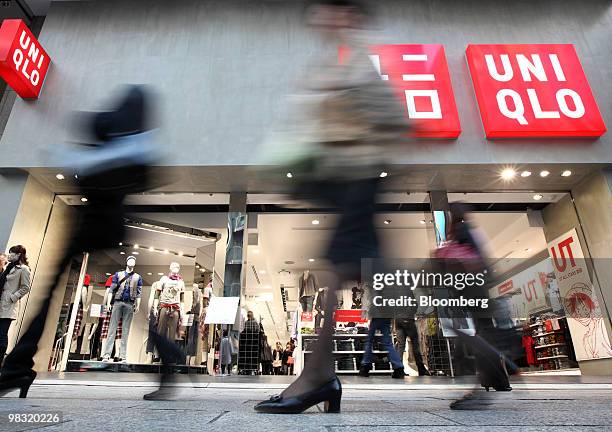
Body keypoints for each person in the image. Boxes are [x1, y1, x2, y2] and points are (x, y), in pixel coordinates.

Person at [255, 0, 407, 414]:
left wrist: (341, 128)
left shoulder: (357, 61)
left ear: (347, 15)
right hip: (350, 185)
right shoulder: (335, 63)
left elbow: (395, 118)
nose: (317, 18)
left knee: (339, 271)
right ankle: (320, 378)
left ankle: (318, 379)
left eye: (326, 10)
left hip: (360, 181)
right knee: (340, 272)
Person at [0, 85, 161, 399]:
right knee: (52, 291)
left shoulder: (125, 139)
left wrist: (79, 154)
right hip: (98, 221)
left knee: (52, 291)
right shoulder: (133, 138)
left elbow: (100, 156)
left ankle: (18, 366)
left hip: (98, 221)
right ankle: (18, 365)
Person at [439, 203, 516, 410]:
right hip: (477, 290)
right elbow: (482, 263)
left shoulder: (461, 231)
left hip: (472, 291)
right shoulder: (470, 230)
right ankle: (498, 379)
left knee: (479, 336)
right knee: (484, 333)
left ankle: (493, 381)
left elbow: (467, 262)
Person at [0, 246, 31, 368]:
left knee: (2, 334)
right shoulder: (9, 267)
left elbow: (26, 287)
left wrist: (12, 297)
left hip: (8, 305)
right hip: (1, 302)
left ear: (18, 255)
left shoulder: (23, 269)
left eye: (12, 253)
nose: (9, 255)